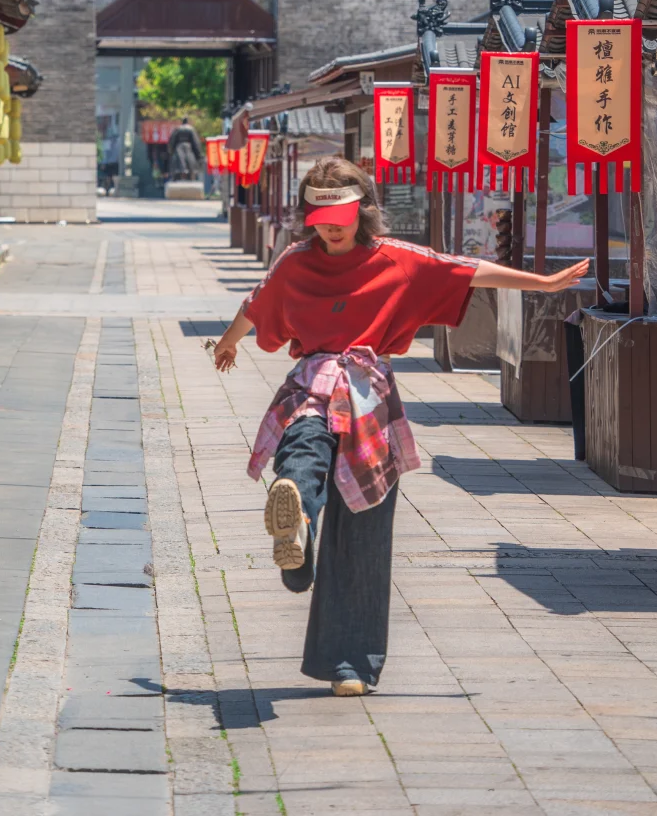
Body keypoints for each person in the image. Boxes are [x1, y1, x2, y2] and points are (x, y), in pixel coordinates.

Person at [211, 154, 587, 699]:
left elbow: (464, 268)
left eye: (340, 218)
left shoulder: (396, 258)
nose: (332, 230)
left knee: (353, 513)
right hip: (328, 383)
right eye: (321, 222)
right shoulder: (295, 261)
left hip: (359, 394)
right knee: (303, 450)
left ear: (362, 211)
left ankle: (337, 635)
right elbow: (258, 302)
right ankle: (302, 539)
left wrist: (544, 283)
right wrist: (226, 341)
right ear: (308, 219)